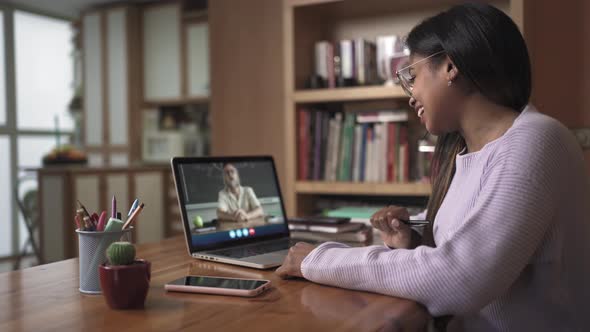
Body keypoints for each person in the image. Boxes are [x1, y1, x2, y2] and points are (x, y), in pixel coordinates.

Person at [276, 3, 590, 331]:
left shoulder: (536, 139)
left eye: (412, 76)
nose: (411, 95)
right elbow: (468, 260)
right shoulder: (470, 153)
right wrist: (412, 242)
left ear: (450, 66)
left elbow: (461, 278)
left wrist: (317, 259)